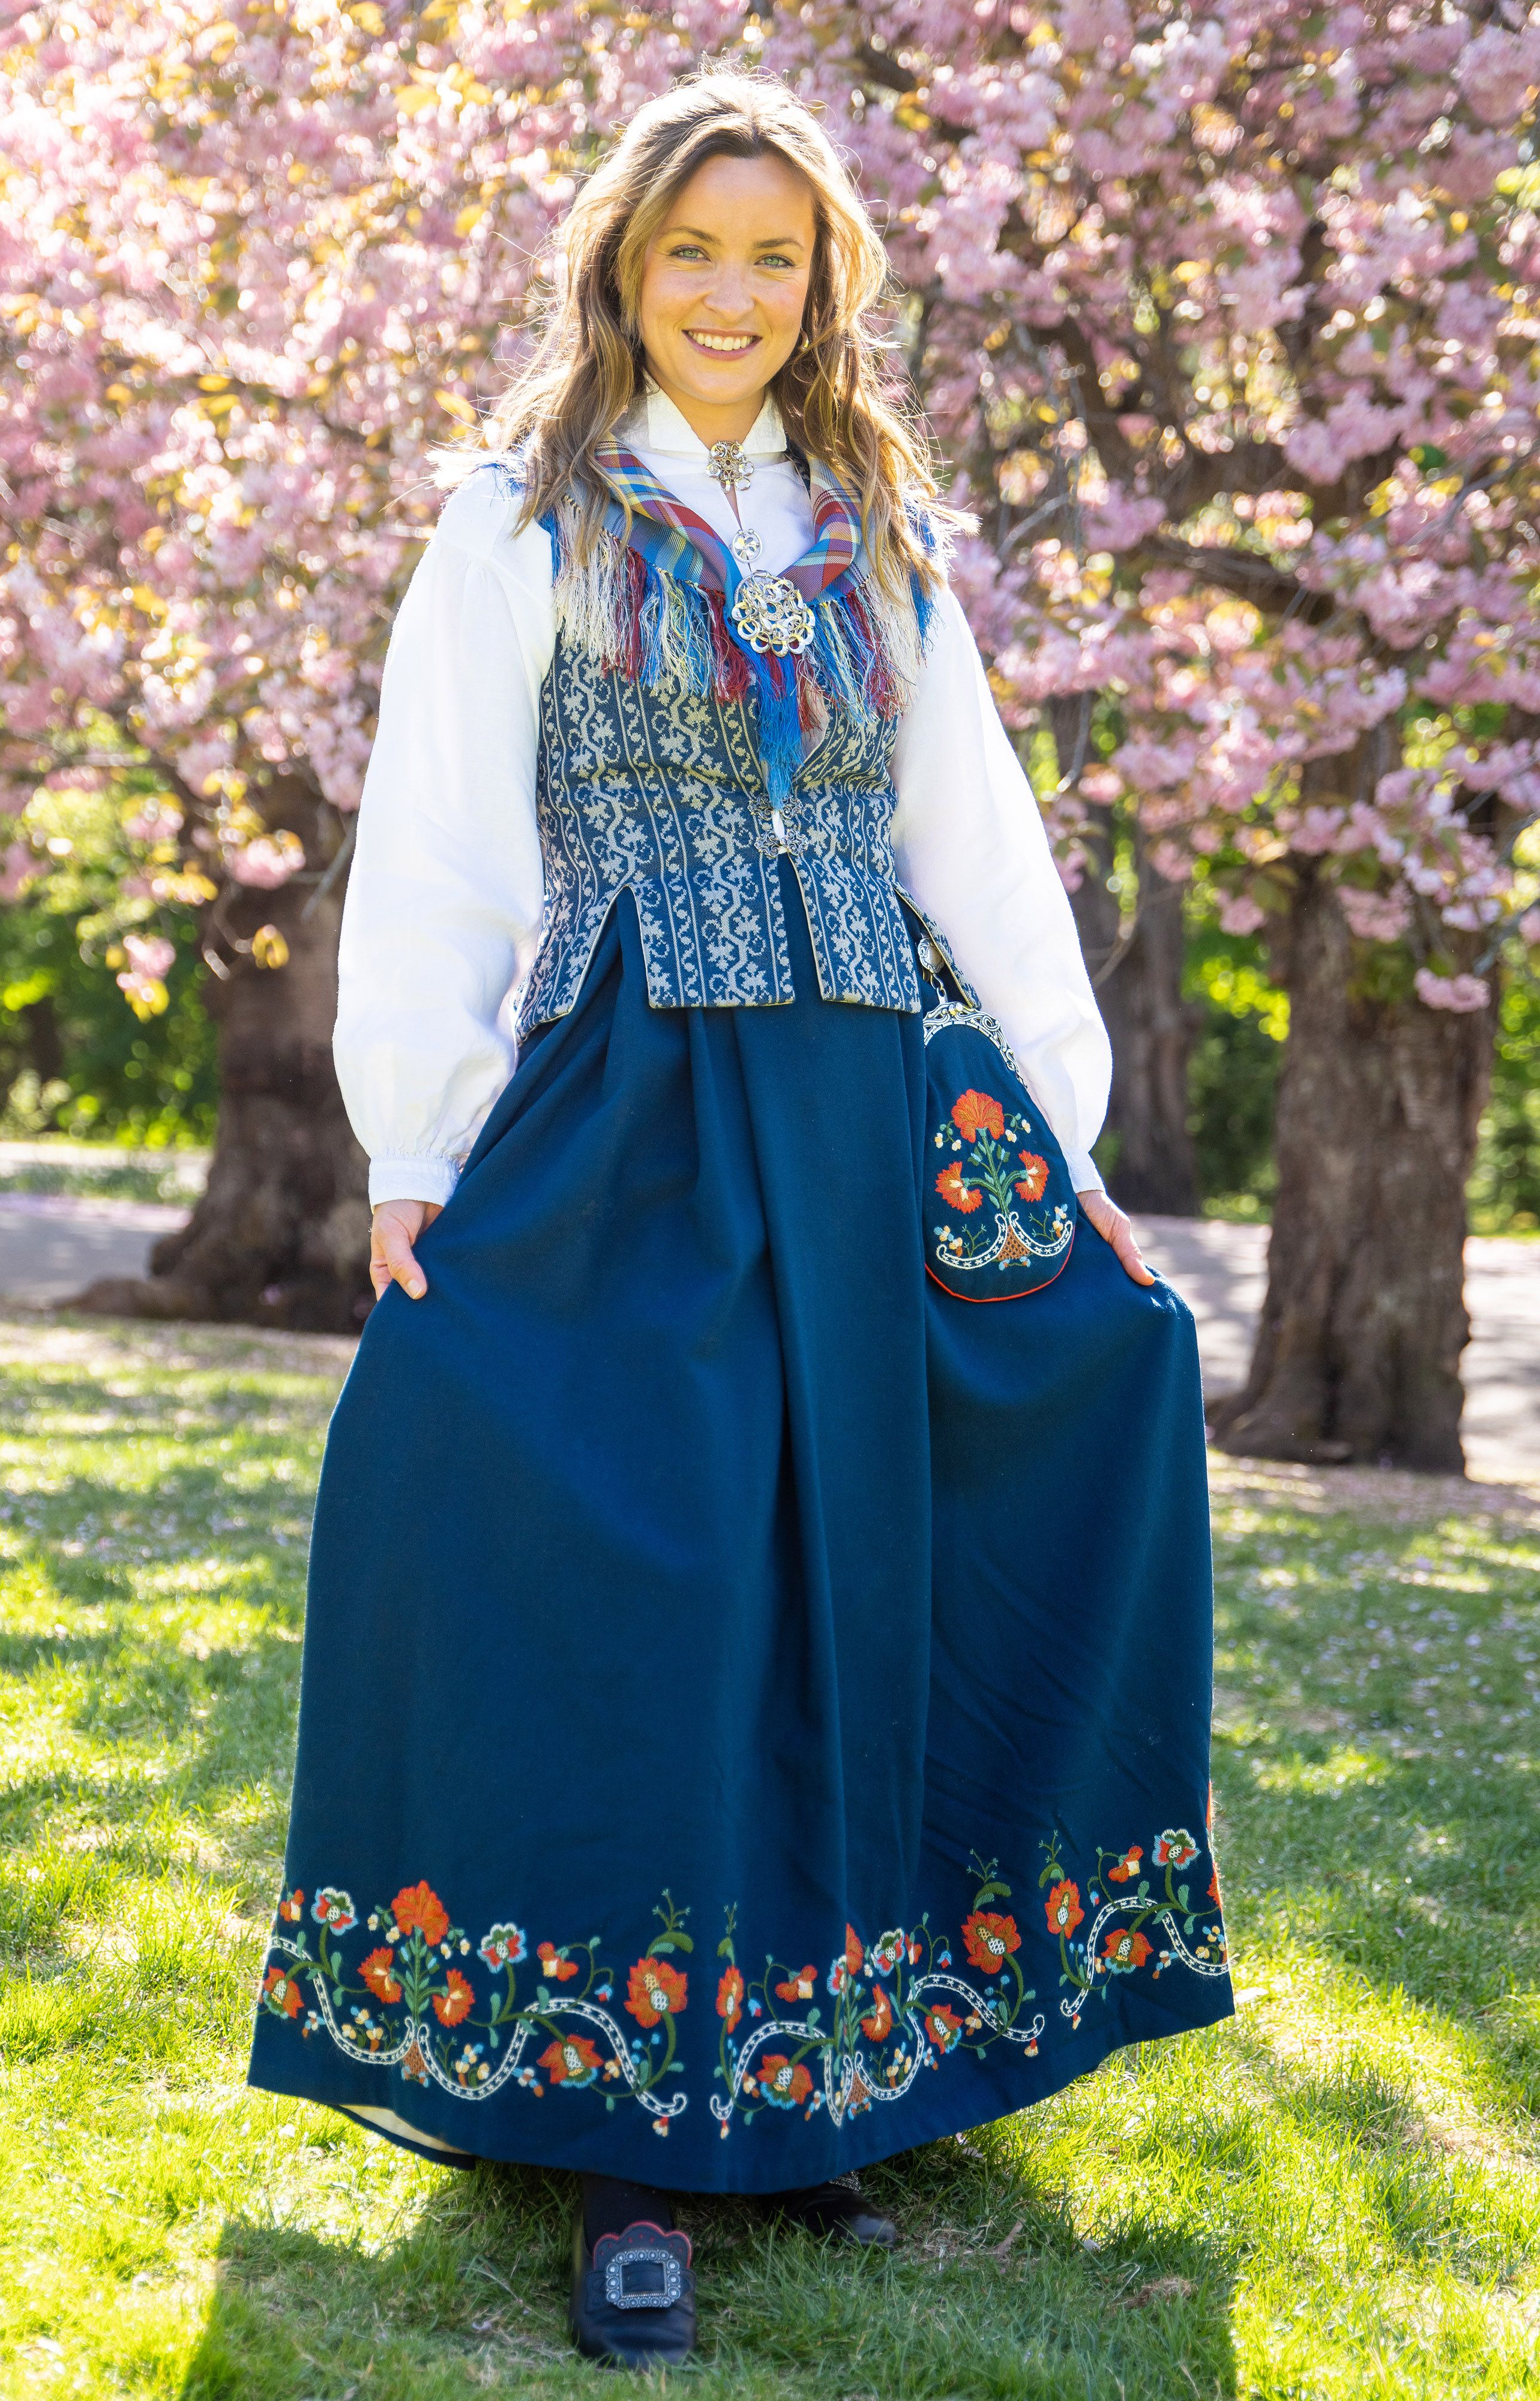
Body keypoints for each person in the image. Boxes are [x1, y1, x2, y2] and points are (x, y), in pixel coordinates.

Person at [248, 67, 1233, 2370]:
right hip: (634, 1103)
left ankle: (842, 2074)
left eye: (773, 255)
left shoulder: (877, 531)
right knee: (648, 1575)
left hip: (880, 1092)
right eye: (692, 247)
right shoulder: (519, 523)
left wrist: (1060, 1133)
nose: (728, 291)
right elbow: (445, 843)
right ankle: (626, 2143)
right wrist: (413, 1141)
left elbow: (971, 839)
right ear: (621, 261)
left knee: (879, 1557)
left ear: (823, 289)